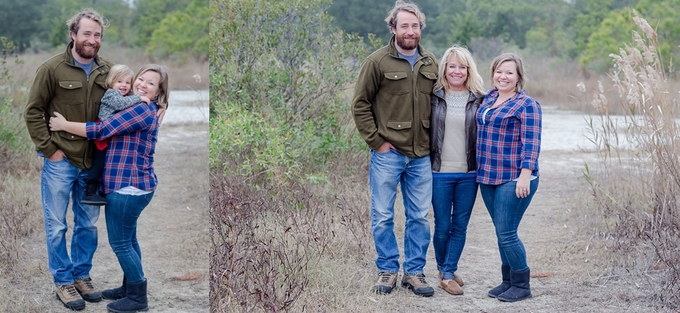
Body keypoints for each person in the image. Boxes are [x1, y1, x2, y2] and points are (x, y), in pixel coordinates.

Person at [49, 64, 169, 313]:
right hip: (133, 185)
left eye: (150, 83)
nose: (141, 85)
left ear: (158, 92)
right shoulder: (140, 106)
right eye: (141, 79)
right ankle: (130, 287)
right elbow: (117, 78)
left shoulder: (142, 109)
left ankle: (138, 298)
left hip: (128, 187)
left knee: (121, 243)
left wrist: (63, 124)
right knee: (130, 239)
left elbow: (102, 129)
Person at [24, 8, 111, 310]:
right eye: (86, 33)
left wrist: (155, 106)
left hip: (92, 165)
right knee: (58, 225)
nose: (92, 39)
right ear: (73, 34)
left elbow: (126, 103)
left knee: (87, 225)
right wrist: (50, 150)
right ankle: (63, 281)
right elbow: (33, 111)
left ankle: (81, 277)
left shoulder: (107, 71)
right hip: (61, 163)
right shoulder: (52, 69)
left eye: (97, 35)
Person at [352, 0, 438, 297]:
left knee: (418, 217)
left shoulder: (431, 63)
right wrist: (377, 142)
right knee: (383, 215)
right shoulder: (376, 63)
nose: (411, 31)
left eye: (415, 26)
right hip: (388, 155)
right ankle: (388, 270)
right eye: (405, 26)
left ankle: (414, 273)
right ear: (393, 28)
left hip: (421, 155)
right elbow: (360, 105)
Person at [475, 52, 541, 302]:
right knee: (501, 230)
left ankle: (522, 286)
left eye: (509, 72)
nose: (503, 76)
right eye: (499, 71)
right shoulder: (488, 98)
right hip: (488, 176)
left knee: (507, 233)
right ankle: (508, 282)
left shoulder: (527, 105)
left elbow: (532, 143)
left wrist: (525, 175)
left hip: (514, 177)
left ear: (518, 77)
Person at [429, 45, 484, 296]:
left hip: (469, 174)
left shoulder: (480, 98)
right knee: (442, 227)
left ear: (469, 70)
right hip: (439, 171)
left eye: (462, 67)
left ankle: (448, 272)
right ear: (445, 68)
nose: (457, 71)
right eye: (452, 66)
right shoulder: (433, 96)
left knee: (460, 225)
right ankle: (444, 268)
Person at [81, 64, 152, 206]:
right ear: (111, 82)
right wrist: (140, 98)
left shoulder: (127, 96)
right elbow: (120, 104)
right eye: (119, 82)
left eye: (127, 82)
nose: (124, 85)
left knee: (106, 164)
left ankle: (100, 190)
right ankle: (89, 192)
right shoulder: (111, 94)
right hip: (101, 134)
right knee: (99, 164)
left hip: (109, 134)